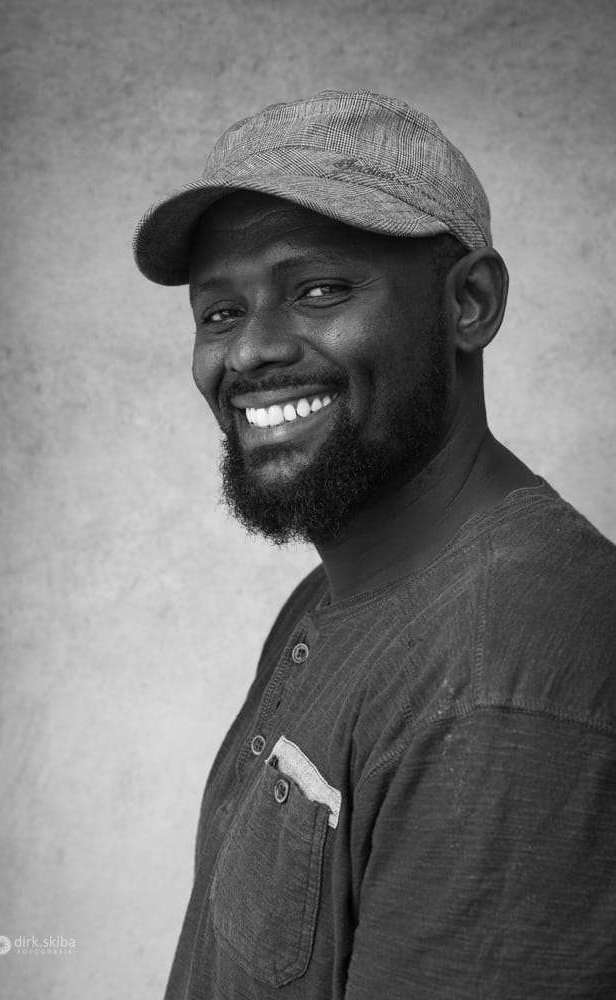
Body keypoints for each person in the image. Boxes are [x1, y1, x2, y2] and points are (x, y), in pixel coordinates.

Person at [134, 90, 616, 998]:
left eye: (317, 290)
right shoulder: (331, 593)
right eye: (219, 312)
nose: (247, 355)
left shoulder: (503, 679)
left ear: (468, 302)